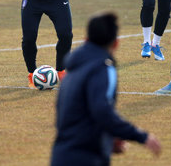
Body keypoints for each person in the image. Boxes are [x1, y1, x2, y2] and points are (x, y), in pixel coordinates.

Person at [51, 12, 162, 166]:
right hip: (87, 158)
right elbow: (102, 111)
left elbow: (72, 113)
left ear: (86, 40)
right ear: (116, 43)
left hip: (61, 155)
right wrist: (141, 137)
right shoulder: (103, 68)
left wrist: (107, 140)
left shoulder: (73, 68)